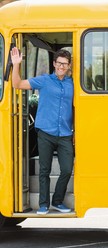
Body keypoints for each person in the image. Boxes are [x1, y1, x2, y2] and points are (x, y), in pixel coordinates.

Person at [10, 47, 74, 215]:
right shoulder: (44, 80)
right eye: (59, 63)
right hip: (46, 132)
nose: (61, 66)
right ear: (54, 64)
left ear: (69, 66)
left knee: (67, 169)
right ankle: (44, 204)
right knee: (44, 170)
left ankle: (58, 201)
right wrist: (16, 64)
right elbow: (17, 84)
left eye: (65, 64)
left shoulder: (72, 84)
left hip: (65, 134)